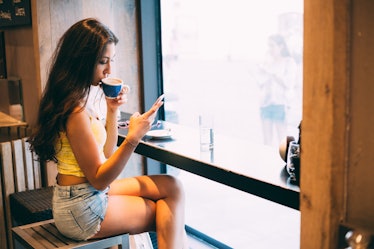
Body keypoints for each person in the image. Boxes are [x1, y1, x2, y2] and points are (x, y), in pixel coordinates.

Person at [28, 18, 187, 249]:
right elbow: (100, 179)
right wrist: (133, 138)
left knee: (173, 186)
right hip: (81, 208)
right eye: (103, 61)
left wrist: (113, 109)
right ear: (81, 61)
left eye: (112, 60)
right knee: (164, 212)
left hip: (83, 194)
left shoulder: (80, 98)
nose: (109, 70)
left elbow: (105, 153)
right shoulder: (74, 110)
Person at [257, 34, 297, 146]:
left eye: (272, 46)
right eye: (268, 46)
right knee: (267, 141)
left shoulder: (289, 62)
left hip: (281, 105)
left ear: (281, 46)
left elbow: (288, 84)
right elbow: (261, 84)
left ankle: (282, 163)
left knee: (282, 141)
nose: (269, 49)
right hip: (265, 104)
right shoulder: (267, 62)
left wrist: (271, 73)